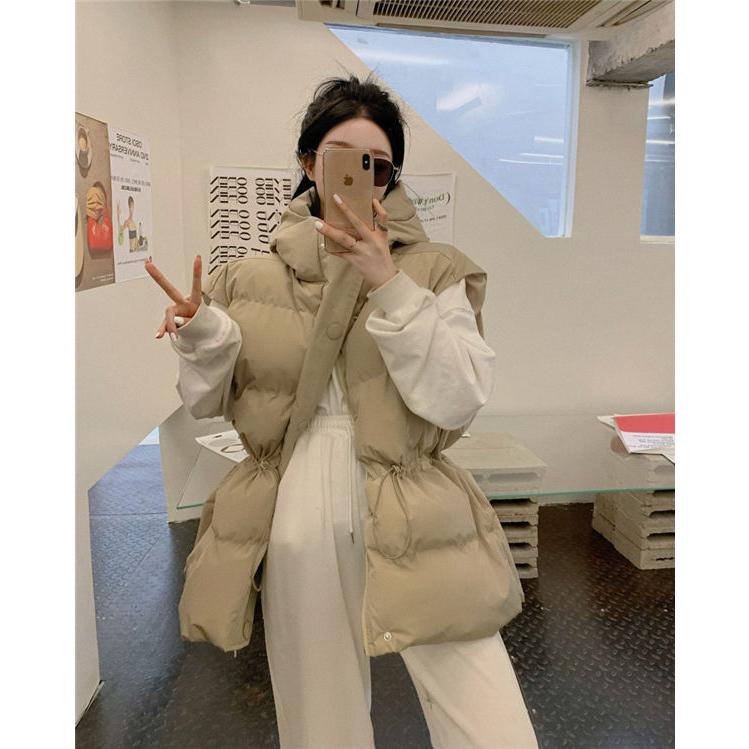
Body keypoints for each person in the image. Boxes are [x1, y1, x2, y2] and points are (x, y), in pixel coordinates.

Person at [146, 74, 538, 748]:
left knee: (485, 710)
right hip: (298, 492)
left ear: (392, 177)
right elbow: (210, 403)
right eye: (342, 158)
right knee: (318, 710)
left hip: (411, 488)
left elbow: (458, 397)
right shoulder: (249, 277)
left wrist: (390, 283)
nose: (363, 176)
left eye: (378, 165)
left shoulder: (436, 269)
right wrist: (201, 335)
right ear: (308, 163)